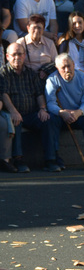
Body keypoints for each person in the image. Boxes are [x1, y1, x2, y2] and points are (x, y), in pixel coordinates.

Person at [0, 42, 57, 173]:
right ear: (7, 56)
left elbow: (39, 93)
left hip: (31, 113)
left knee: (48, 120)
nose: (17, 57)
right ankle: (18, 160)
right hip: (13, 112)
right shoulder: (3, 73)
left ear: (24, 55)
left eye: (20, 54)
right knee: (16, 122)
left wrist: (42, 109)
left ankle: (51, 159)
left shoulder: (30, 73)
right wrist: (13, 111)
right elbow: (4, 94)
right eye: (14, 55)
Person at [45, 53, 84, 171]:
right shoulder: (52, 79)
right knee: (51, 120)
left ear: (74, 65)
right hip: (61, 115)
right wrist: (61, 112)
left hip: (78, 114)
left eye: (69, 66)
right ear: (57, 68)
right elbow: (50, 103)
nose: (67, 70)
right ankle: (55, 157)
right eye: (63, 67)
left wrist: (77, 113)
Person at [17, 14, 57, 82]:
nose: (36, 30)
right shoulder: (21, 43)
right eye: (34, 28)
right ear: (28, 28)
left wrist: (46, 70)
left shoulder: (50, 43)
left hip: (46, 78)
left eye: (39, 28)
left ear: (43, 29)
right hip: (27, 79)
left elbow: (56, 62)